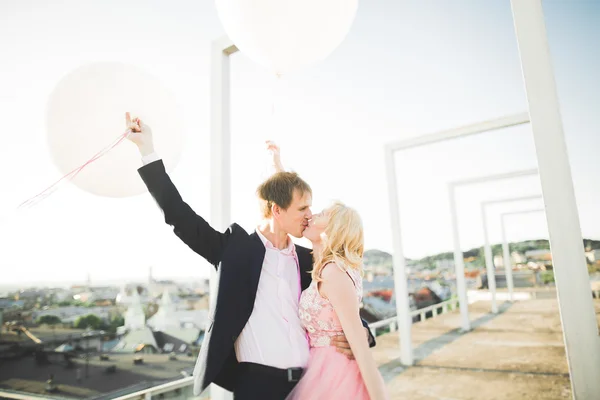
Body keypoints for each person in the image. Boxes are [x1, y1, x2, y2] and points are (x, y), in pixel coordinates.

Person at [124, 113, 375, 400]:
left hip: (311, 385)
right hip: (256, 387)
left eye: (311, 208)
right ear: (277, 211)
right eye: (303, 208)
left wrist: (363, 332)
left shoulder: (310, 260)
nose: (310, 216)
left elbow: (334, 306)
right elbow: (178, 215)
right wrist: (147, 150)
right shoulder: (234, 250)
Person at [267, 142, 388, 400]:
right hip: (318, 371)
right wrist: (278, 167)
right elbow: (292, 204)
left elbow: (360, 347)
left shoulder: (333, 273)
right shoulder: (322, 267)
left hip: (337, 377)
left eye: (320, 213)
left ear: (332, 231)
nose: (310, 215)